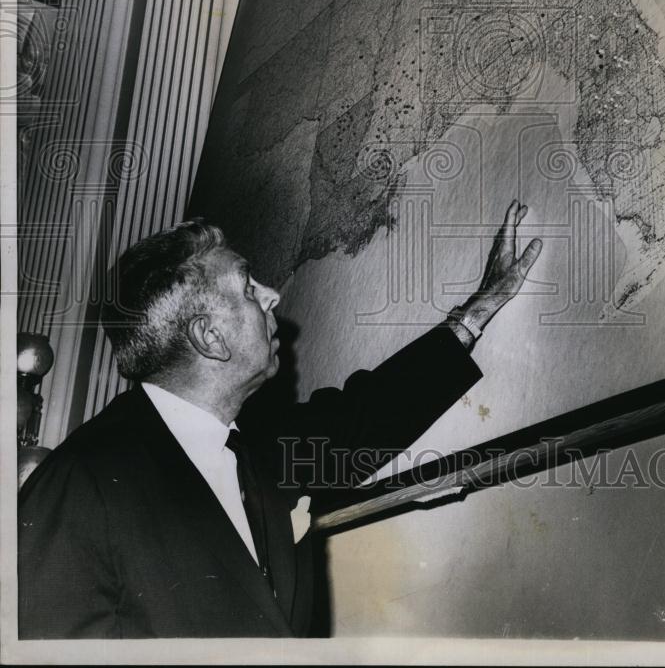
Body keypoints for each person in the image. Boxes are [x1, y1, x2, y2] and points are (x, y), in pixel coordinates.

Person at [18, 200, 542, 639]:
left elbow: (367, 417)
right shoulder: (79, 484)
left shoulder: (259, 451)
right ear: (210, 338)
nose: (270, 295)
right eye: (247, 287)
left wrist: (477, 310)